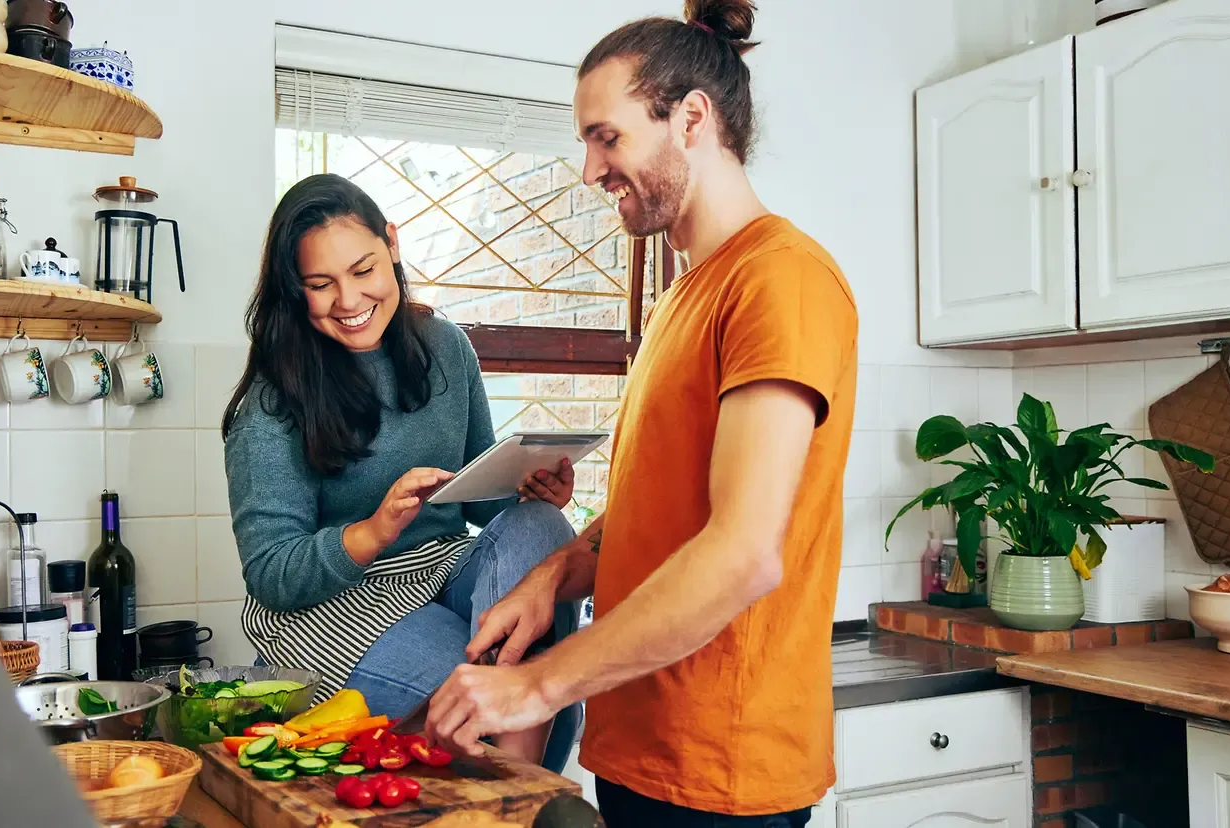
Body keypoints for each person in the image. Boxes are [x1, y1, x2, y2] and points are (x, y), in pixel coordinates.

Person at [423, 0, 859, 825]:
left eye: (606, 136)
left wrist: (536, 686)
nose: (589, 169)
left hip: (720, 765)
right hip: (639, 745)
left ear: (691, 118)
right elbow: (658, 518)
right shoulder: (683, 296)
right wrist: (552, 577)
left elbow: (741, 557)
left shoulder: (781, 281)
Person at [221, 173, 584, 767]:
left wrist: (530, 487)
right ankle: (521, 778)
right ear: (295, 290)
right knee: (521, 696)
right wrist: (373, 530)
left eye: (363, 270)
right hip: (336, 609)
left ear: (391, 244)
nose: (348, 300)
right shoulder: (272, 404)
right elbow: (271, 575)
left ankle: (512, 755)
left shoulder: (446, 348)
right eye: (320, 284)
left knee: (540, 528)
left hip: (442, 573)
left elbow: (486, 508)